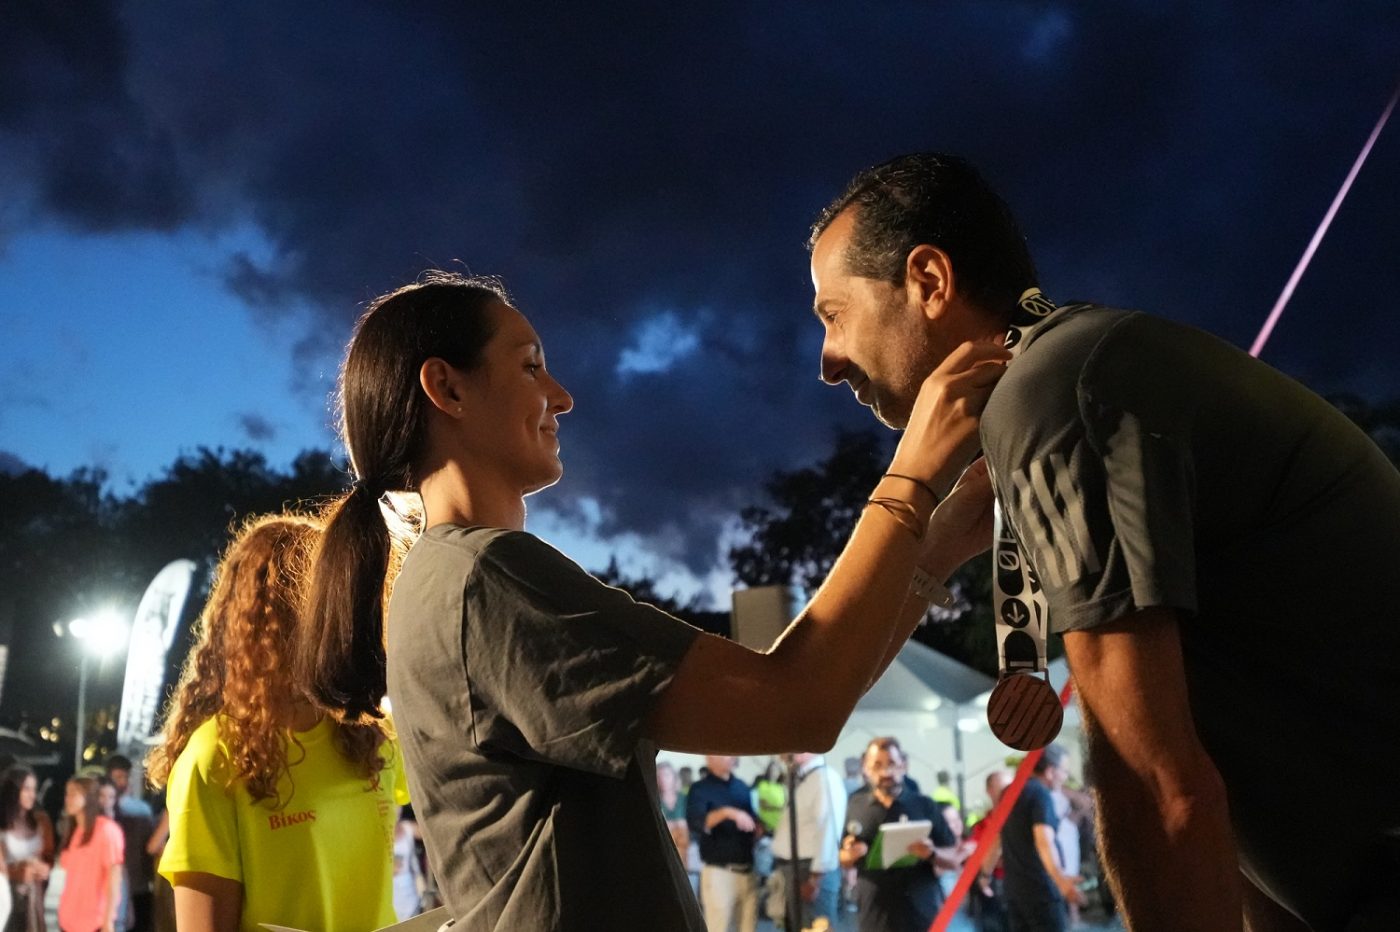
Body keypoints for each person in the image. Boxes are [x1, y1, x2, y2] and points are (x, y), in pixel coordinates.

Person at [297, 271, 1006, 930]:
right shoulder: (487, 578)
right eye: (531, 365)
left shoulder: (443, 580)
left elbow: (817, 691)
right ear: (447, 389)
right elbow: (795, 703)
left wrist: (933, 553)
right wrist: (912, 477)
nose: (562, 396)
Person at [808, 151, 1400, 931]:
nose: (828, 361)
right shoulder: (1078, 363)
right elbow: (1225, 769)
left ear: (928, 280)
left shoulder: (1053, 392)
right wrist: (938, 541)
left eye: (834, 315)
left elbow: (1156, 790)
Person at [145, 514, 409, 932]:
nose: (352, 618)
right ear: (274, 622)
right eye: (330, 600)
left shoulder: (377, 735)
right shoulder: (214, 759)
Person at [840, 737, 967, 932]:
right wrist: (850, 855)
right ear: (866, 769)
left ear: (904, 765)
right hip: (874, 913)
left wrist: (932, 853)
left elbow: (954, 858)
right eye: (877, 765)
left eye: (892, 763)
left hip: (919, 909)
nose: (886, 772)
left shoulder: (925, 805)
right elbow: (842, 857)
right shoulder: (855, 806)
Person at [999, 745, 1082, 932]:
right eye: (1064, 771)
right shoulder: (1040, 795)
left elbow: (998, 838)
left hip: (1014, 892)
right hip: (1041, 892)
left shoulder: (1008, 792)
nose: (1065, 777)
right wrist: (1061, 881)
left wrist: (985, 874)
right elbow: (1044, 841)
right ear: (1050, 771)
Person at [769, 753, 847, 931]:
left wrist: (815, 879)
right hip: (796, 869)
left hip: (811, 870)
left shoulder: (824, 778)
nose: (781, 756)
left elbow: (828, 830)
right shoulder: (804, 779)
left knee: (815, 926)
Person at [687, 755, 759, 932]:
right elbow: (697, 823)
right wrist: (728, 813)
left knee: (749, 928)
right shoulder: (700, 789)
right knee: (719, 927)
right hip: (720, 872)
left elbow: (752, 823)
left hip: (747, 870)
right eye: (725, 754)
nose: (731, 757)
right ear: (710, 758)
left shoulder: (741, 787)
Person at [57, 777, 123, 932]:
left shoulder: (107, 830)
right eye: (67, 794)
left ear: (88, 797)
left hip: (94, 921)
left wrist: (108, 921)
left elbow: (114, 879)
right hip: (69, 920)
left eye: (73, 794)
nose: (68, 799)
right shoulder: (75, 831)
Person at [104, 756, 154, 932]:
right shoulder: (140, 811)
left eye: (125, 777)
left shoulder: (141, 811)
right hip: (115, 887)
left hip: (138, 885)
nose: (123, 782)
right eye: (118, 777)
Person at [1, 767, 53, 932]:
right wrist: (17, 872)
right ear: (13, 791)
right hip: (6, 896)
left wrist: (44, 868)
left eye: (34, 789)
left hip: (34, 896)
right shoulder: (2, 825)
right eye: (27, 789)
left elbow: (49, 857)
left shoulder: (41, 820)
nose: (32, 795)